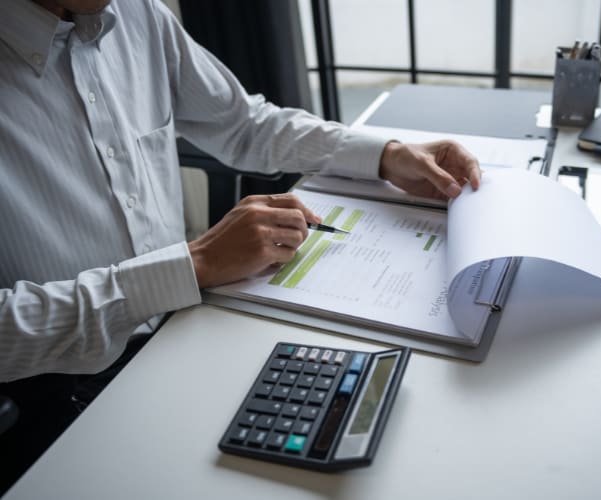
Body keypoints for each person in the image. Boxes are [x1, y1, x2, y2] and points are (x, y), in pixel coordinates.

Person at [0, 0, 480, 491]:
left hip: (189, 317)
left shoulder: (138, 14)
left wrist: (385, 155)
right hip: (57, 389)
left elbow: (243, 124)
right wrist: (199, 261)